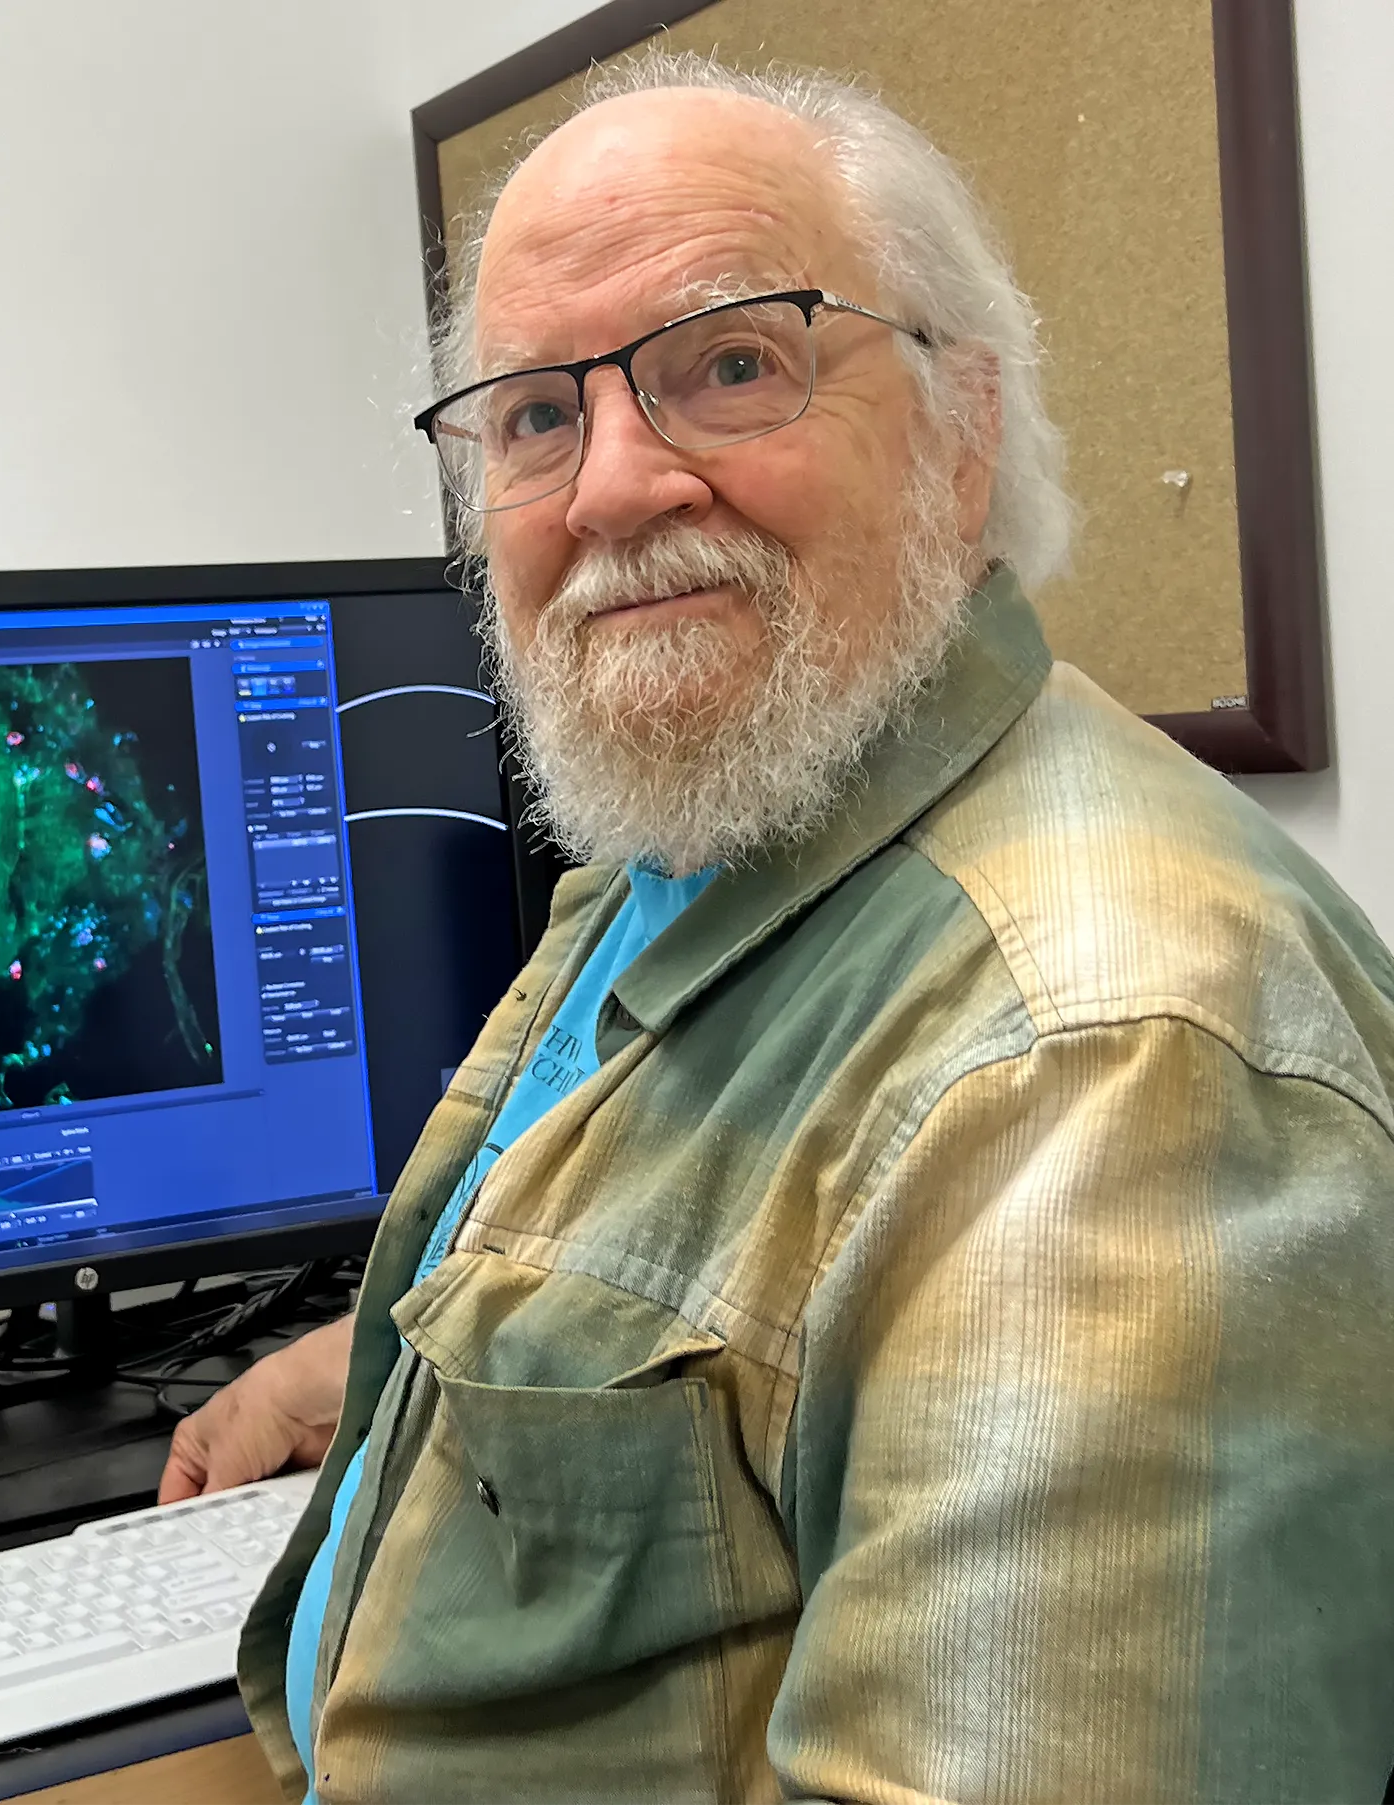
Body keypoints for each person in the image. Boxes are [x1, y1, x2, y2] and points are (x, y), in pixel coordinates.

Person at [160, 51, 1394, 1805]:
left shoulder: (1104, 1070)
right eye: (532, 415)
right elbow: (724, 1315)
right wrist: (345, 1370)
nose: (610, 488)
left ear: (961, 433)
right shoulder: (715, 836)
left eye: (728, 366)